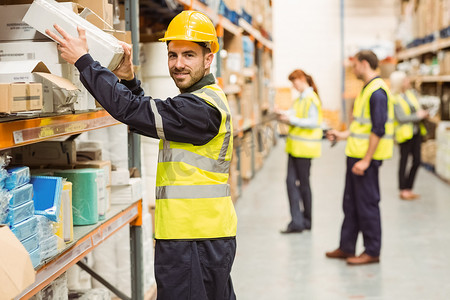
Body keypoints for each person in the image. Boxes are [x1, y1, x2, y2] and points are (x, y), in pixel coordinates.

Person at [46, 10, 237, 299]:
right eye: (173, 55)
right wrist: (130, 81)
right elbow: (150, 113)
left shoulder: (201, 110)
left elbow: (134, 112)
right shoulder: (196, 102)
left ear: (208, 59)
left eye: (189, 55)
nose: (178, 64)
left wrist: (83, 61)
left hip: (194, 238)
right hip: (199, 235)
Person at [325, 50, 394, 265]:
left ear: (364, 64)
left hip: (365, 161)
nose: (353, 69)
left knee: (367, 205)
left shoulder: (377, 92)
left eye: (355, 65)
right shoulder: (367, 89)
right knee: (351, 204)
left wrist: (366, 160)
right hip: (355, 156)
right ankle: (347, 247)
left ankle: (372, 251)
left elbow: (378, 129)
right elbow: (359, 129)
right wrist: (342, 134)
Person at [277, 69, 323, 233]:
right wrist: (284, 114)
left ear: (302, 79)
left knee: (303, 185)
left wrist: (291, 119)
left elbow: (313, 122)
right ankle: (299, 221)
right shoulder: (301, 98)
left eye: (294, 81)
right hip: (295, 148)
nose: (294, 86)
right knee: (292, 183)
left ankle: (304, 221)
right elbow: (296, 114)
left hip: (304, 148)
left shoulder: (311, 98)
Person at [389, 71, 428, 200]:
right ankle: (403, 190)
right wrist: (417, 116)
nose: (408, 82)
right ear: (399, 83)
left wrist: (423, 113)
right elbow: (401, 118)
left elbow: (416, 108)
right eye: (405, 80)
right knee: (404, 162)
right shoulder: (394, 97)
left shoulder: (411, 94)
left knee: (417, 161)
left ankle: (409, 188)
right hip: (404, 134)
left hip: (416, 132)